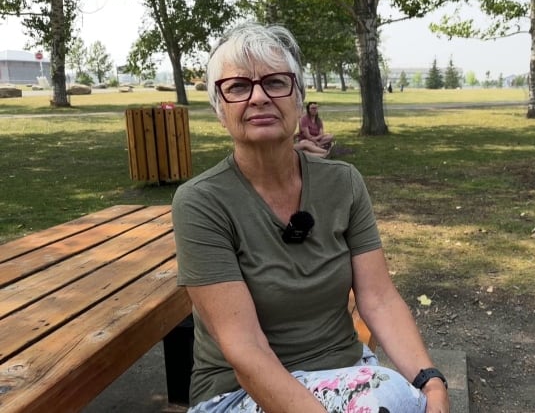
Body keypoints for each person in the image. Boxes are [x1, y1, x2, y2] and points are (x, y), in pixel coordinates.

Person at [171, 21, 450, 413]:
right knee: (389, 398)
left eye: (275, 82)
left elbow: (380, 298)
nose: (258, 97)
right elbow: (245, 350)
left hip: (348, 375)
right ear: (220, 110)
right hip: (238, 394)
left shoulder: (343, 183)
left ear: (298, 99)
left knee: (399, 396)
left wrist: (431, 384)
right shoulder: (201, 202)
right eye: (237, 87)